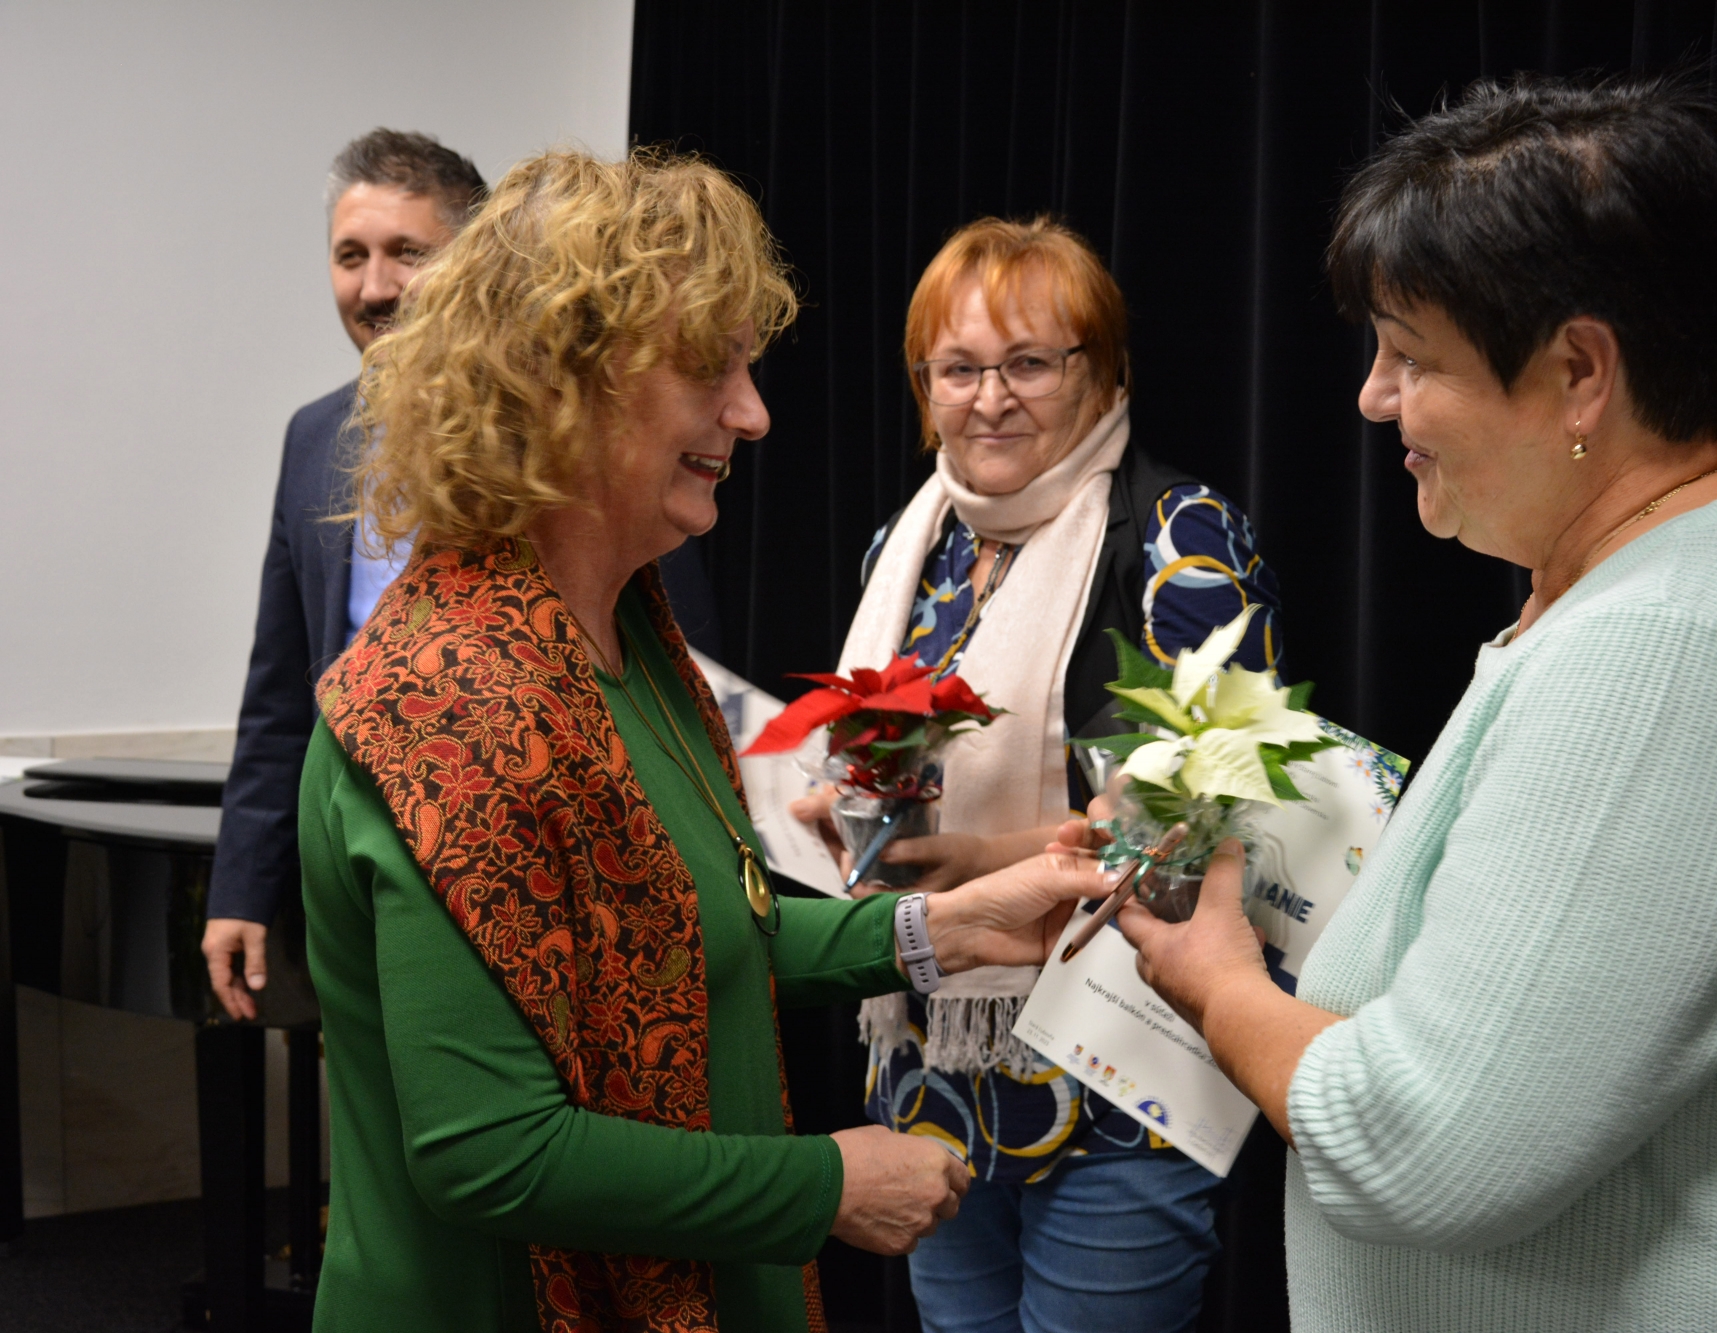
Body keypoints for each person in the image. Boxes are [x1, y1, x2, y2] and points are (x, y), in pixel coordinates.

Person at [1100, 73, 1717, 1331]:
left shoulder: (1664, 652)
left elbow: (1414, 1144)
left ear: (1577, 372)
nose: (1372, 397)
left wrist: (1216, 982)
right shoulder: (1710, 561)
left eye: (1412, 356)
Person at [300, 149, 1113, 1333]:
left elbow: (695, 934)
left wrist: (947, 928)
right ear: (559, 382)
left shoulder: (626, 635)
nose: (751, 411)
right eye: (706, 368)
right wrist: (825, 1184)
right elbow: (490, 1153)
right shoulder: (452, 701)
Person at [794, 217, 1286, 1332]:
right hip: (936, 1060)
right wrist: (847, 810)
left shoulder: (1184, 540)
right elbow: (882, 755)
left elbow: (1204, 811)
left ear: (1103, 371)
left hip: (1120, 1063)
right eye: (957, 369)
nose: (989, 399)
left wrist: (979, 860)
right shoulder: (910, 544)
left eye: (1028, 363)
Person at [203, 128, 484, 1020]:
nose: (375, 288)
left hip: (507, 869)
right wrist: (240, 886)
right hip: (350, 877)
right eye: (351, 256)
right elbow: (280, 694)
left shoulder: (551, 432)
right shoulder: (312, 436)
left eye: (409, 253)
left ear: (473, 261)